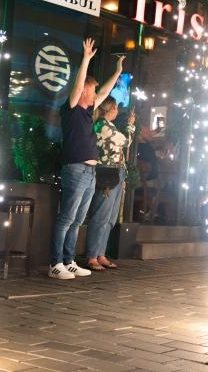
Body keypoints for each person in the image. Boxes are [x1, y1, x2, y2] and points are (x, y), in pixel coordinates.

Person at [50, 39, 125, 280]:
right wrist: (86, 59)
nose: (95, 95)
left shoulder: (88, 113)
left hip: (90, 172)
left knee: (78, 220)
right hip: (75, 169)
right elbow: (79, 85)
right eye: (91, 91)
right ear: (83, 91)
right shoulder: (71, 109)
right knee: (67, 218)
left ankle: (69, 261)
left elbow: (104, 92)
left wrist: (117, 72)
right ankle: (55, 263)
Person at [85, 97, 135, 271]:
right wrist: (130, 125)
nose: (117, 111)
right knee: (101, 216)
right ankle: (92, 255)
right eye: (116, 108)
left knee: (110, 218)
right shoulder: (102, 126)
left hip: (116, 173)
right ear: (111, 108)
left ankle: (100, 254)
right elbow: (126, 141)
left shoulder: (108, 125)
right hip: (107, 174)